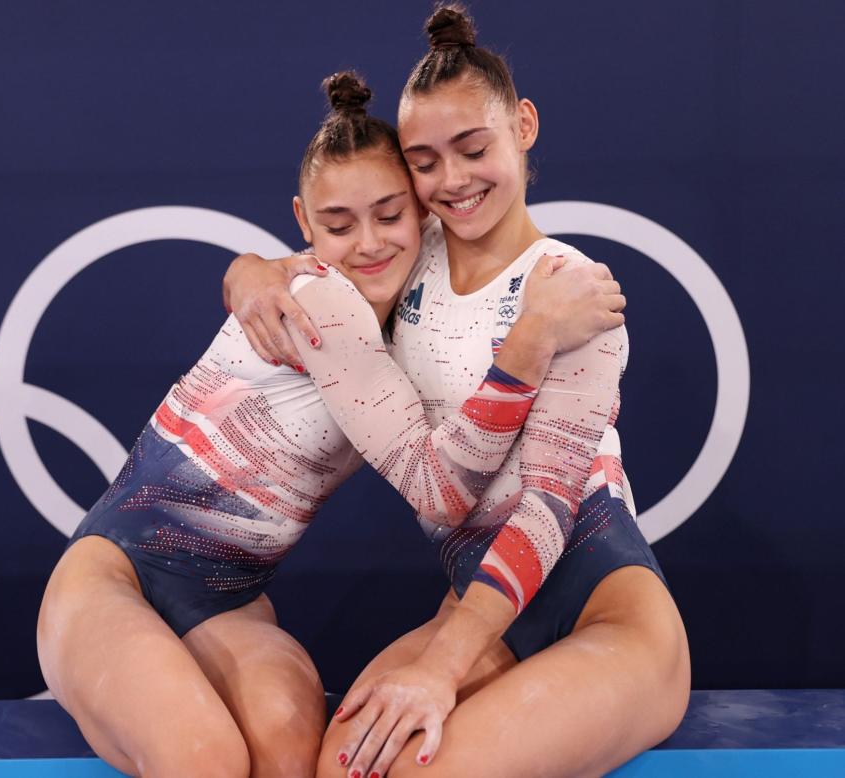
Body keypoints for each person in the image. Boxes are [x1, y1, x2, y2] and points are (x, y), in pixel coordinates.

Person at [37, 69, 621, 778]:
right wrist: (530, 339)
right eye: (339, 225)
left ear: (422, 214)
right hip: (114, 573)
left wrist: (249, 267)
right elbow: (439, 489)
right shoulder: (322, 300)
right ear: (306, 224)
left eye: (388, 214)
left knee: (291, 762)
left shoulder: (418, 293)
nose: (369, 242)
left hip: (230, 603)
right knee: (205, 761)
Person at [224, 6, 690, 777]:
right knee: (344, 764)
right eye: (425, 162)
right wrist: (249, 272)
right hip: (483, 611)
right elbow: (313, 253)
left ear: (524, 127)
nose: (454, 182)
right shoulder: (408, 253)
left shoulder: (573, 292)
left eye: (473, 149)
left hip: (606, 612)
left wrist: (439, 672)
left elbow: (546, 509)